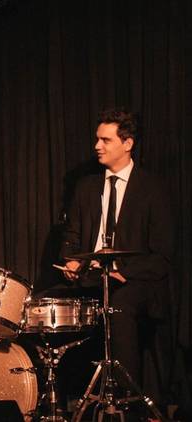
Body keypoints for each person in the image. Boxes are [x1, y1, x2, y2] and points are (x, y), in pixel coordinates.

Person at [60, 108, 173, 410]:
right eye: (97, 139)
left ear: (128, 143)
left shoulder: (153, 188)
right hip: (91, 276)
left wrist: (127, 273)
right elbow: (71, 237)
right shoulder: (86, 188)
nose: (97, 146)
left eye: (105, 140)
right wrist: (71, 261)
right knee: (48, 307)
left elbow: (162, 256)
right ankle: (65, 402)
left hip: (135, 281)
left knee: (118, 306)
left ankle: (126, 403)